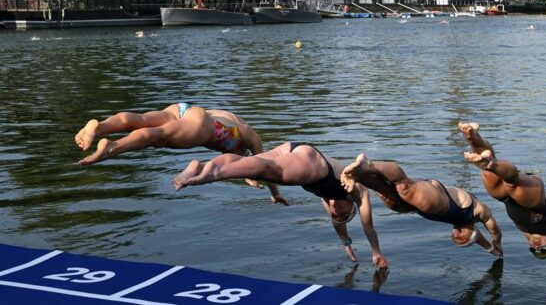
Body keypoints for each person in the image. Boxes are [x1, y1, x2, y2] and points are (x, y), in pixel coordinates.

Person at [172, 142, 389, 268]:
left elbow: (337, 226)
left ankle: (199, 166)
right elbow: (368, 226)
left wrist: (346, 244)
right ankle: (211, 174)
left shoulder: (330, 202)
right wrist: (375, 252)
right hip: (313, 163)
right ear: (352, 207)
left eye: (336, 214)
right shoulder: (358, 192)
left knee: (261, 166)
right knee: (265, 168)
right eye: (343, 213)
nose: (336, 212)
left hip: (293, 149)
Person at [73, 103, 280, 202]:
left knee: (141, 119)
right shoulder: (246, 135)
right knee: (157, 136)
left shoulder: (230, 119)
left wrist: (249, 176)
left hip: (184, 109)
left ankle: (99, 127)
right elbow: (264, 163)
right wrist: (275, 193)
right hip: (205, 128)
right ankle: (111, 147)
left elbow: (246, 165)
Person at [459, 122, 546, 276]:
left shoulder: (525, 231)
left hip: (504, 198)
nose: (537, 246)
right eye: (543, 249)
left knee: (487, 174)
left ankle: (472, 136)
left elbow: (540, 247)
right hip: (534, 196)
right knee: (512, 183)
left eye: (533, 249)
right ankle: (491, 162)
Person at [340, 153, 503, 257]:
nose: (457, 235)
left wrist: (490, 250)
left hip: (425, 207)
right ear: (474, 230)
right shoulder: (478, 211)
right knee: (404, 187)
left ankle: (358, 175)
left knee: (389, 198)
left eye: (455, 238)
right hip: (442, 199)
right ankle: (369, 164)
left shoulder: (467, 226)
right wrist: (497, 242)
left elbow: (475, 238)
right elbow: (493, 229)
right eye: (462, 237)